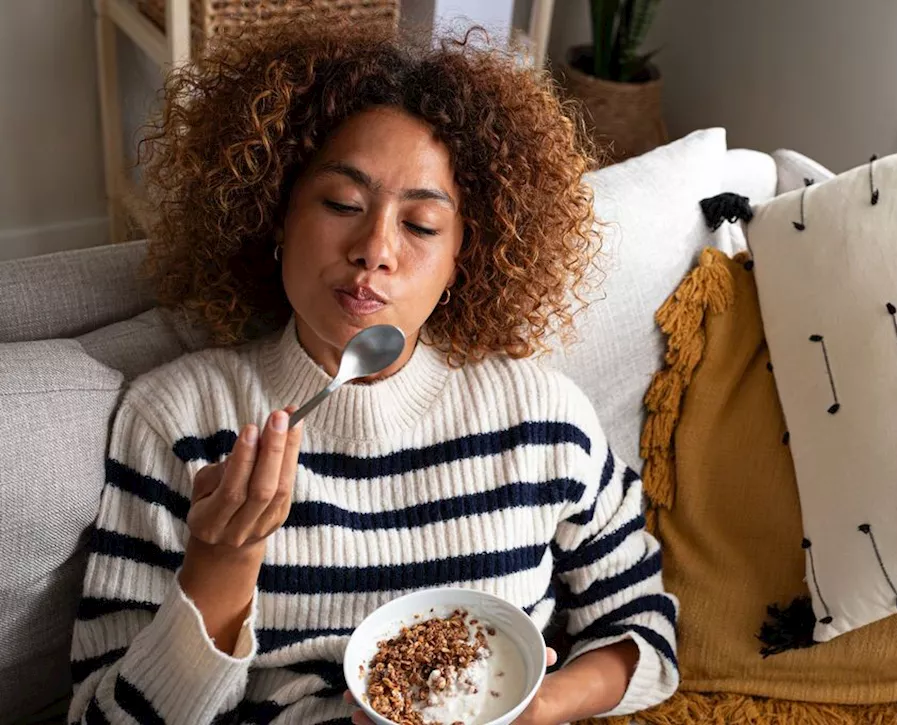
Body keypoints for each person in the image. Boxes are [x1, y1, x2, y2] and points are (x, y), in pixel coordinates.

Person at [68, 21, 677, 725]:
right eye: (342, 205)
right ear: (275, 215)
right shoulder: (178, 421)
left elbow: (643, 630)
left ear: (463, 260)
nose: (375, 249)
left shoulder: (541, 419)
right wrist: (219, 570)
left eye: (420, 225)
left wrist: (542, 706)